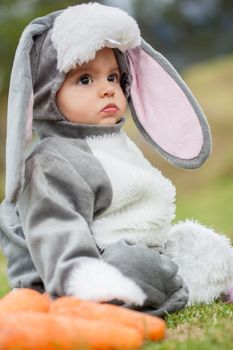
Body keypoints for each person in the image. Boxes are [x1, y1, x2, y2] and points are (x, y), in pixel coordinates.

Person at [0, 2, 233, 316]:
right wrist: (83, 276)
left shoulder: (112, 143)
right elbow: (55, 228)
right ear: (46, 93)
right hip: (89, 269)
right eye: (85, 80)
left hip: (147, 252)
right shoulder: (51, 161)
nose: (107, 90)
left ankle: (203, 282)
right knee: (133, 265)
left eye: (113, 77)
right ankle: (131, 297)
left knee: (201, 242)